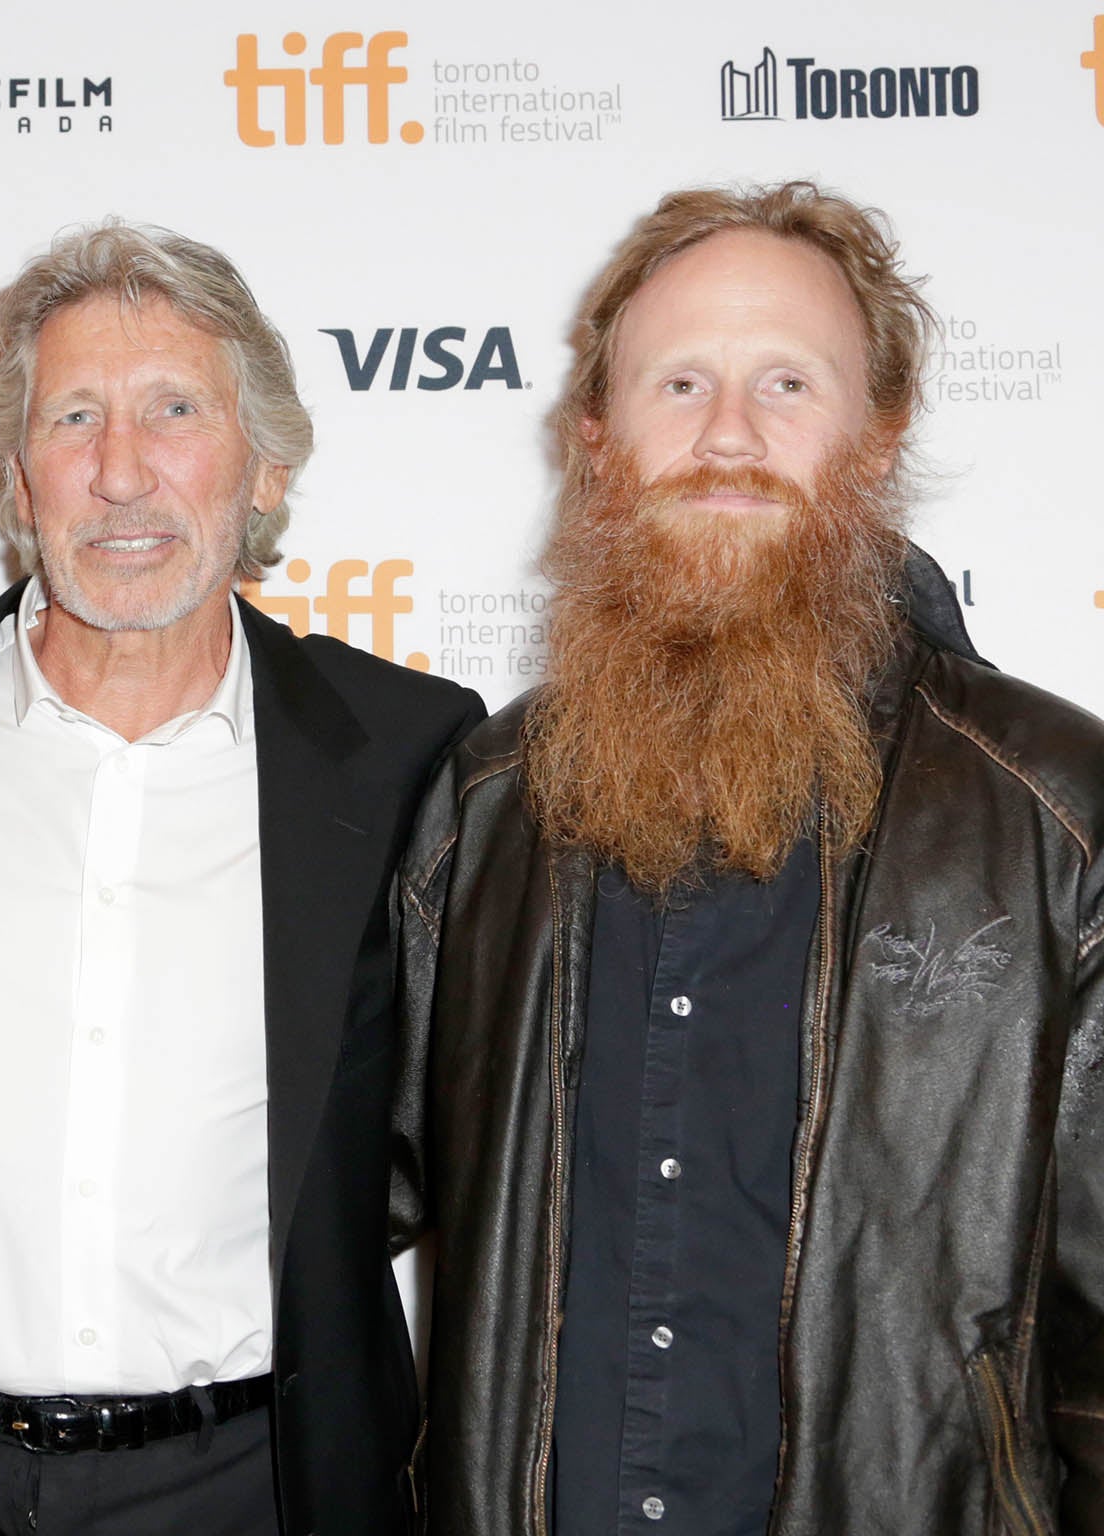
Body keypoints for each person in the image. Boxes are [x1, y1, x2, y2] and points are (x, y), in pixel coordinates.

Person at [393, 181, 1104, 1533]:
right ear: (596, 443)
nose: (729, 436)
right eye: (678, 385)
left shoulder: (1059, 817)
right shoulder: (484, 809)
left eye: (788, 382)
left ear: (879, 437)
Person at [0, 222, 483, 1535]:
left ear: (263, 467)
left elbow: (453, 1130)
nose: (121, 472)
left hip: (257, 1487)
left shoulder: (407, 760)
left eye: (175, 412)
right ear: (17, 480)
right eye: (74, 416)